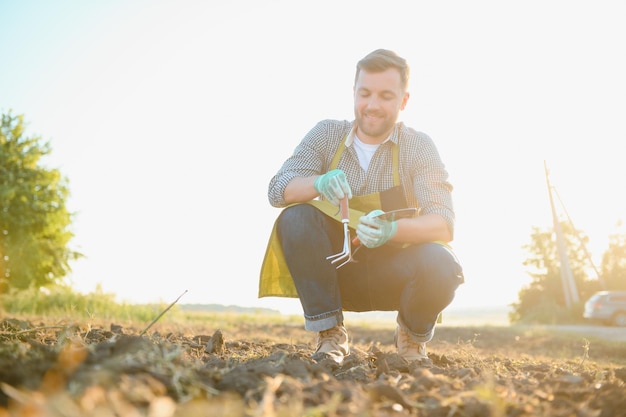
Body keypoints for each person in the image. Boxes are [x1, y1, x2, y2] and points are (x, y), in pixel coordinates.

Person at [259, 49, 464, 364]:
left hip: (395, 272)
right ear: (354, 93)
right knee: (296, 217)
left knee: (443, 264)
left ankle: (410, 338)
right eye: (365, 93)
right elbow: (277, 188)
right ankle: (330, 337)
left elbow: (443, 223)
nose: (372, 105)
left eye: (385, 96)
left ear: (403, 101)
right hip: (337, 272)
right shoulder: (327, 135)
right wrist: (317, 183)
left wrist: (391, 229)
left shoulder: (419, 147)